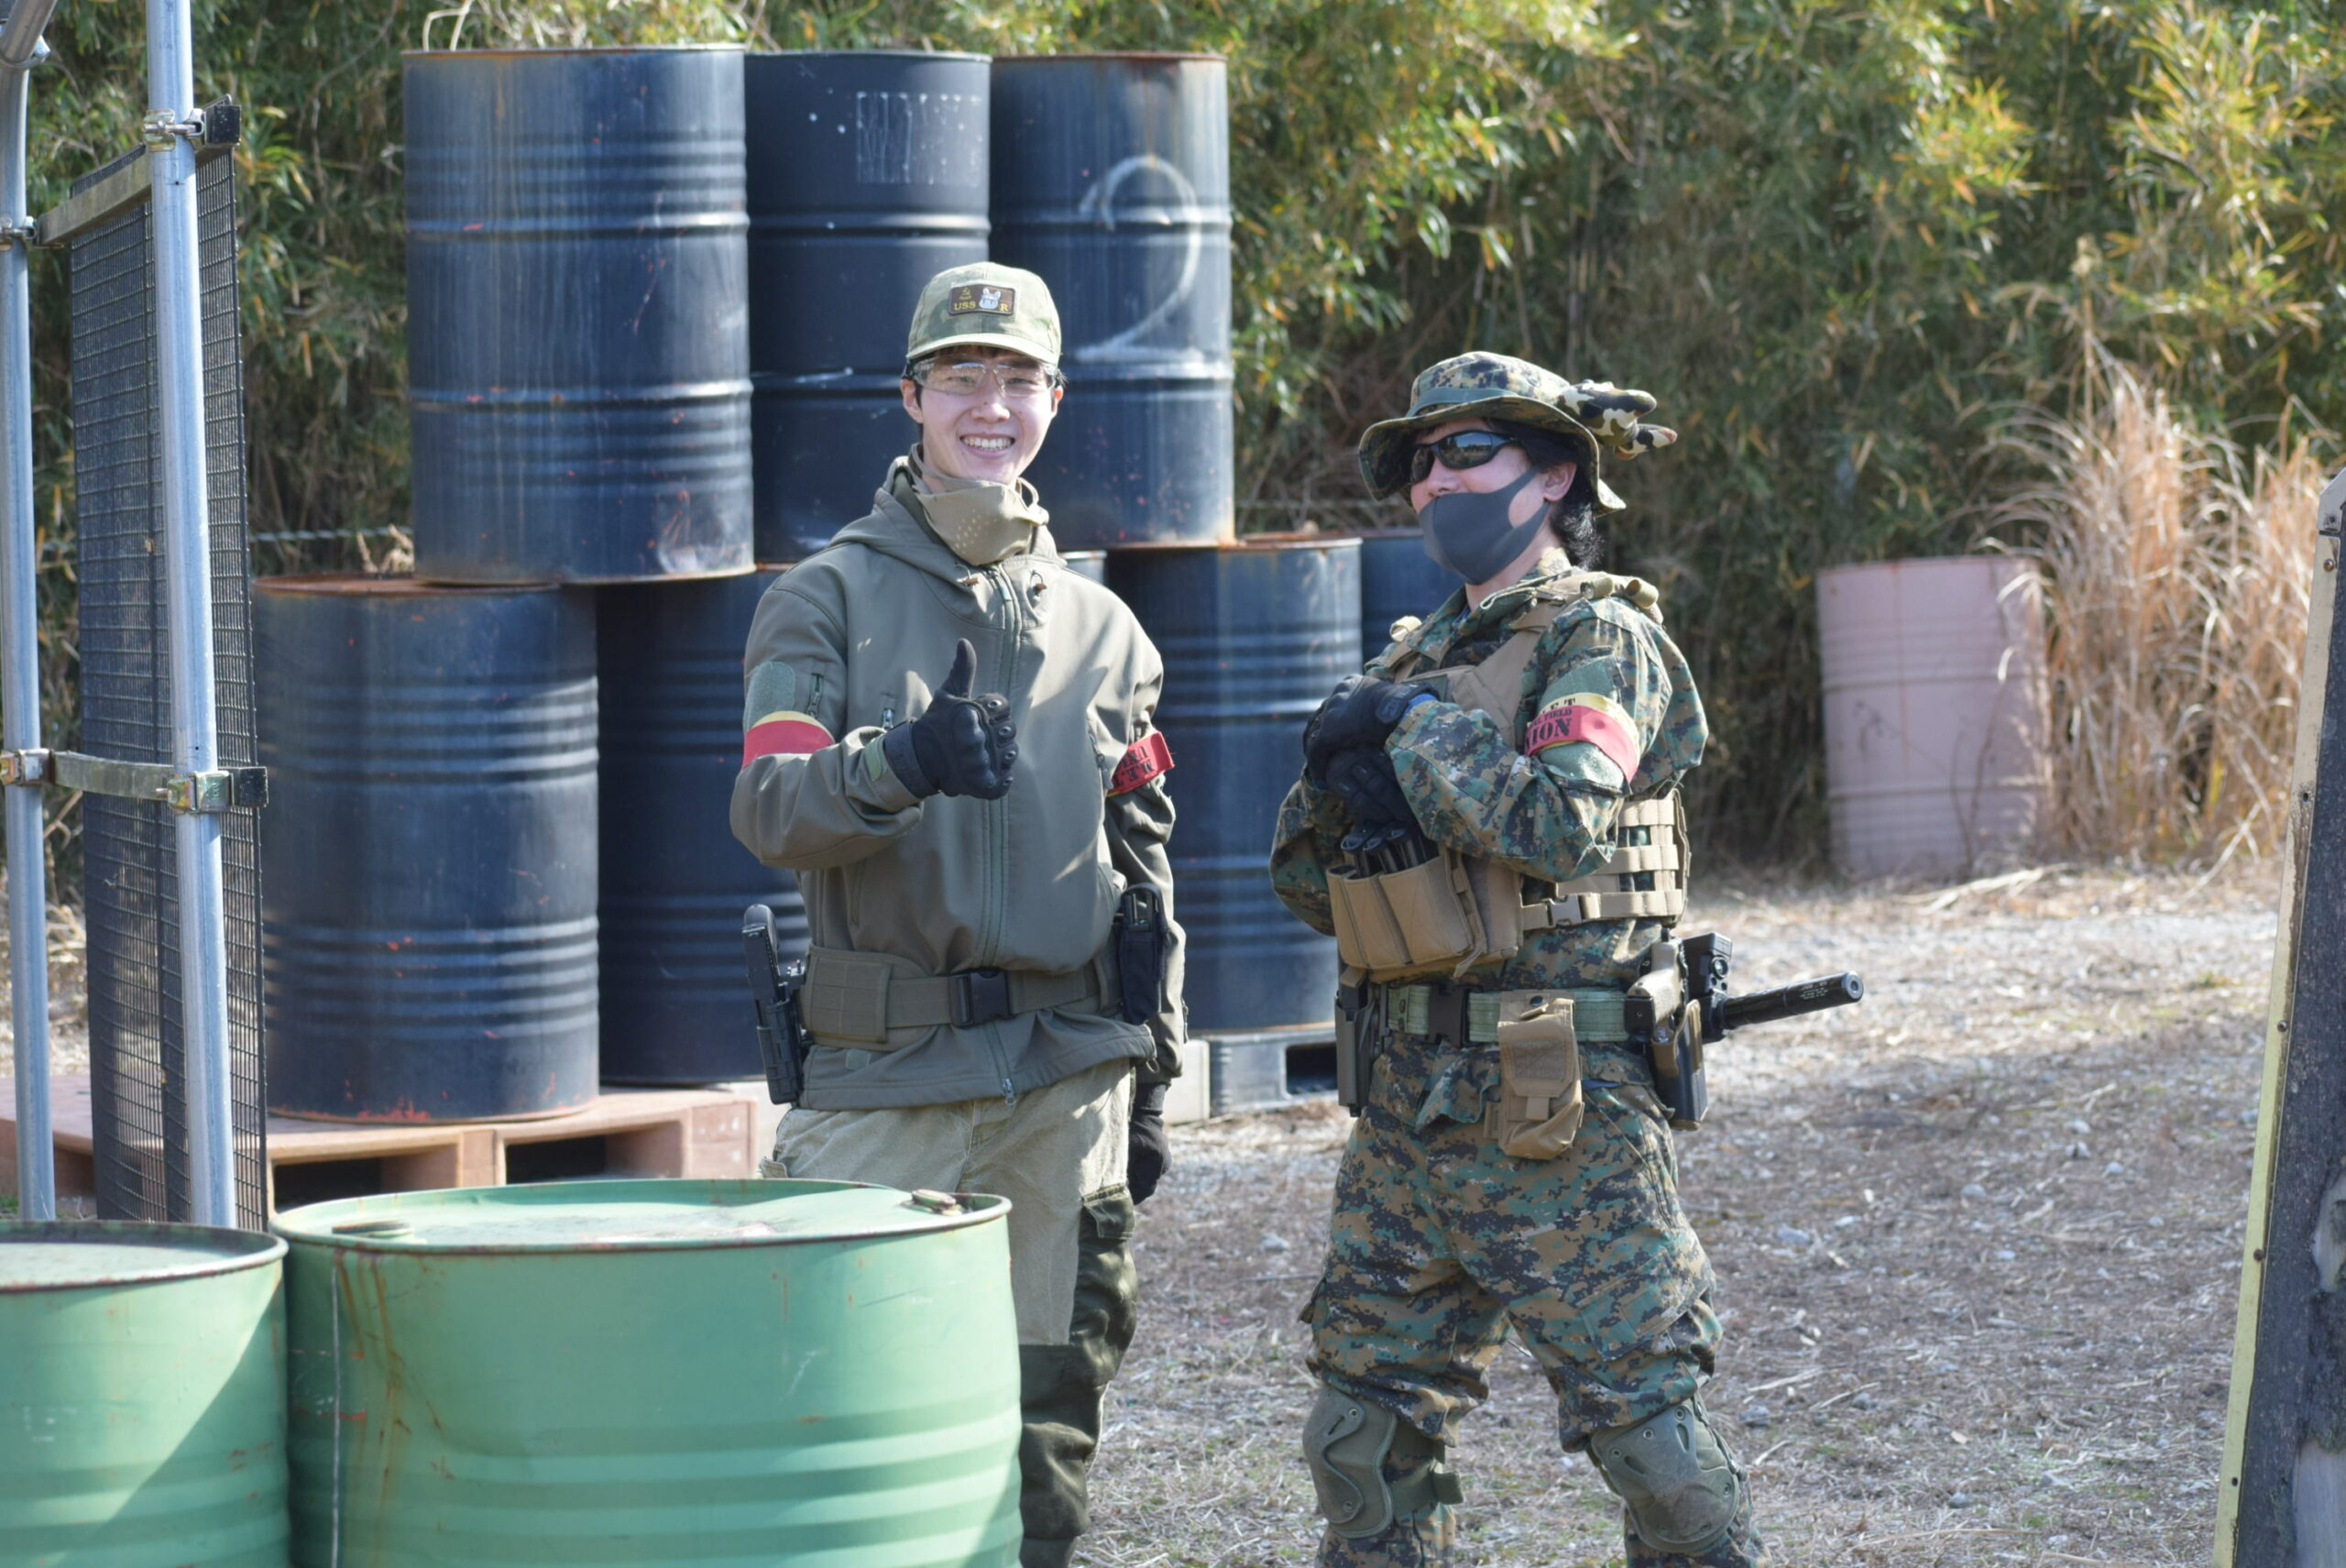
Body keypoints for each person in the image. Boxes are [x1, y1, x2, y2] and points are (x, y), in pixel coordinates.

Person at [1268, 352, 1771, 1567]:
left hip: (1563, 1104)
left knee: (1649, 1442)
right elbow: (1303, 889)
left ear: (1553, 476)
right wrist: (1348, 803)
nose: (1436, 480)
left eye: (1467, 452)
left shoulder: (1602, 639)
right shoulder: (1402, 663)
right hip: (1407, 1104)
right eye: (1420, 461)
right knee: (1359, 1439)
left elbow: (1556, 824)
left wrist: (1416, 737)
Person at [730, 261, 1186, 1568]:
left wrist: (1156, 1067)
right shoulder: (825, 597)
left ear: (1055, 398)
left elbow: (1148, 863)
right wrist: (897, 766)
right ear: (912, 398)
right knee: (836, 1411)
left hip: (1064, 1084)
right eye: (961, 377)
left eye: (1018, 379)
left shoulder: (1107, 629)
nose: (991, 405)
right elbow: (770, 805)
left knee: (1047, 1420)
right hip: (886, 1084)